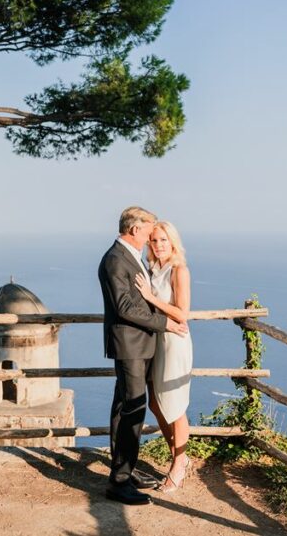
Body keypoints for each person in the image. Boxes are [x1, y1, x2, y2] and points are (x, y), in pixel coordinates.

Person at [99, 206, 189, 506]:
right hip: (131, 346)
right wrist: (164, 323)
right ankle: (120, 482)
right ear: (136, 230)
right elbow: (125, 307)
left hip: (140, 346)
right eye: (150, 231)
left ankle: (123, 472)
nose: (153, 237)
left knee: (123, 408)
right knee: (134, 410)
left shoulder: (130, 256)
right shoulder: (115, 260)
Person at [134, 221, 193, 492]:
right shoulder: (151, 269)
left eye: (163, 240)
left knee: (175, 406)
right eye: (154, 240)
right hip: (156, 340)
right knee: (157, 405)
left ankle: (178, 466)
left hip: (175, 342)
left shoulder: (179, 270)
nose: (158, 245)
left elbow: (182, 313)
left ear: (173, 242)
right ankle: (179, 457)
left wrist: (149, 296)